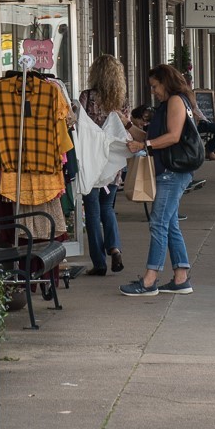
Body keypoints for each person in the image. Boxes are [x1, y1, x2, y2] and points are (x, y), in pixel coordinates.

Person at [120, 64, 198, 296]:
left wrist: (144, 145)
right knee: (169, 223)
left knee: (158, 223)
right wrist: (127, 125)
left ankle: (149, 280)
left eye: (155, 86)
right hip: (170, 169)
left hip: (173, 171)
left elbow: (173, 136)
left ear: (166, 82)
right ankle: (181, 276)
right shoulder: (168, 104)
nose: (153, 91)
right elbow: (151, 138)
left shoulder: (175, 100)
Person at [77, 54, 130, 275]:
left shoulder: (87, 98)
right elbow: (124, 128)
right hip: (112, 161)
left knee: (92, 211)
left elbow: (79, 125)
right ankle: (115, 249)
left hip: (91, 160)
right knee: (107, 207)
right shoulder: (121, 101)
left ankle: (99, 263)